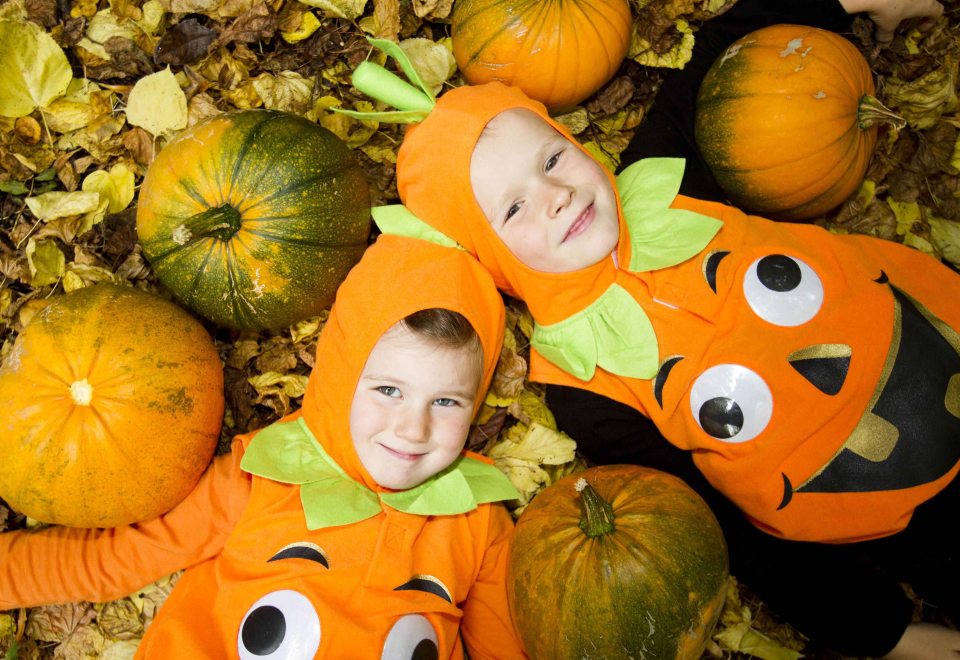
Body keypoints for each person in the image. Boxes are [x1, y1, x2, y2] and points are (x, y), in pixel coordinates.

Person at [352, 0, 960, 656]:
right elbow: (722, 527)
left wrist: (842, 1)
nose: (554, 194)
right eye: (516, 206)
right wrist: (883, 630)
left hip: (933, 327)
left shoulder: (665, 173)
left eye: (551, 160)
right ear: (492, 258)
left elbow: (722, 53)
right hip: (899, 507)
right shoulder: (587, 391)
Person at [0, 234, 527, 660]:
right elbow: (119, 559)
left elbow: (504, 645)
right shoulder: (265, 475)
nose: (414, 430)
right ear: (341, 376)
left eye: (448, 402)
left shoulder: (477, 520)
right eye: (388, 390)